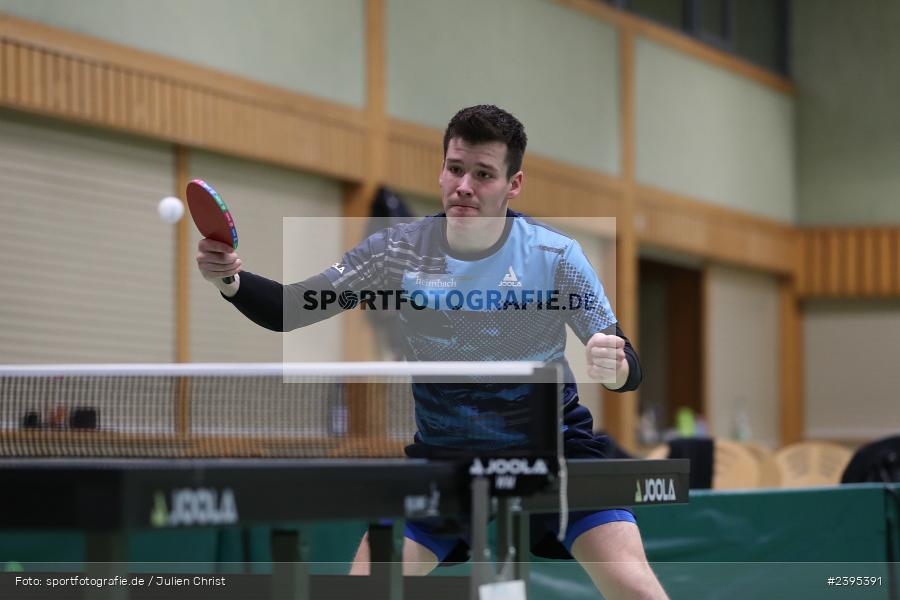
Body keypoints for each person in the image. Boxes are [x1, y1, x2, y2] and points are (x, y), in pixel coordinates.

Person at [196, 105, 668, 599]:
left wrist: (613, 369)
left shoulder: (554, 256)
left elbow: (626, 362)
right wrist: (230, 280)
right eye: (455, 168)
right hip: (445, 461)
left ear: (514, 183)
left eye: (483, 174)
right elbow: (291, 309)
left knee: (636, 589)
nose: (464, 185)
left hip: (556, 454)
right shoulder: (398, 252)